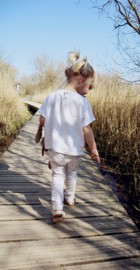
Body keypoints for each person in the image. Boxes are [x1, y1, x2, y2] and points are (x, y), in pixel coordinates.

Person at [38, 50, 100, 224]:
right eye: (88, 86)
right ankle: (70, 198)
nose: (87, 91)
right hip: (74, 150)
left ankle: (57, 209)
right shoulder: (82, 102)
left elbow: (42, 120)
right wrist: (93, 149)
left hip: (56, 148)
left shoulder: (51, 97)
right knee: (72, 173)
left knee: (57, 175)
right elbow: (86, 129)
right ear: (81, 81)